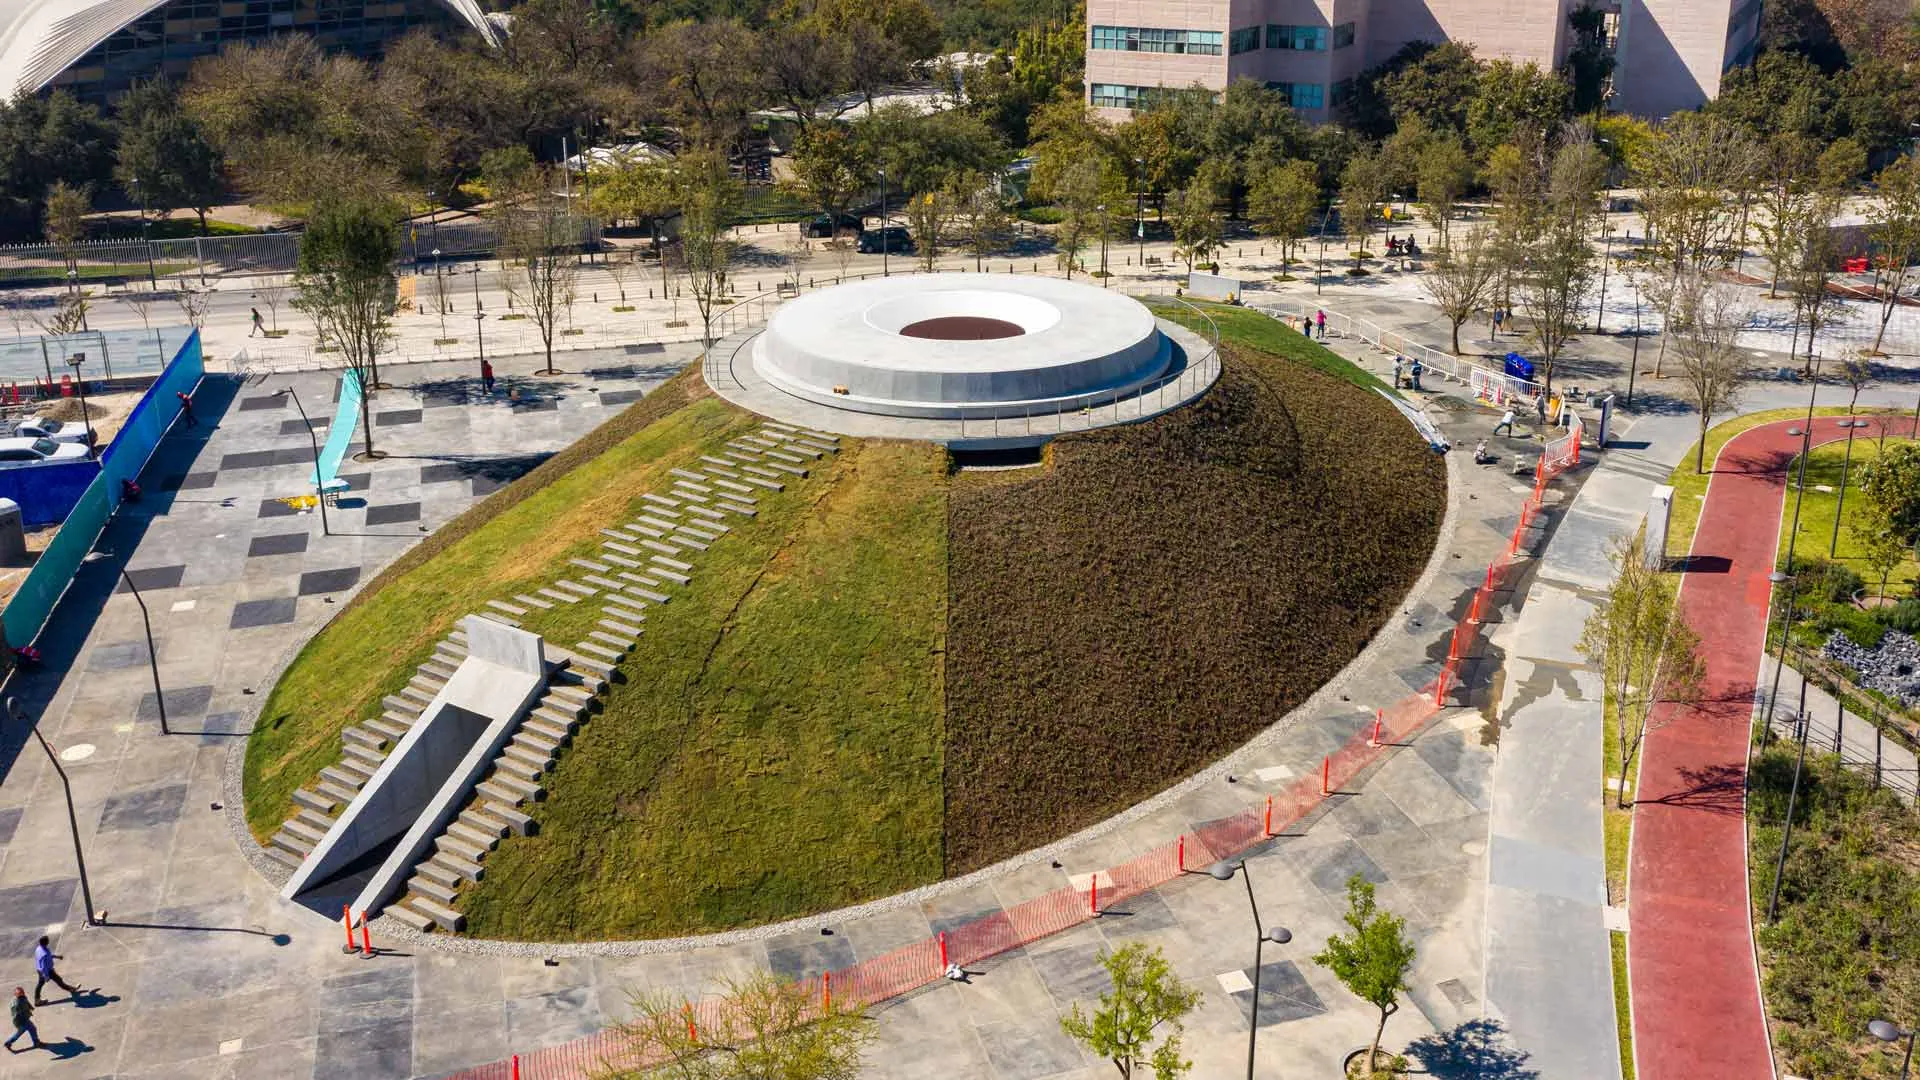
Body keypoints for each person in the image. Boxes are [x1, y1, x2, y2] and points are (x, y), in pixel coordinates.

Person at [32, 938, 74, 1004]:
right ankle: (71, 989)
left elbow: (48, 956)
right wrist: (46, 976)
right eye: (48, 941)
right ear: (46, 943)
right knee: (58, 980)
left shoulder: (39, 948)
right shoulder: (44, 953)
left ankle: (37, 1000)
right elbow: (43, 967)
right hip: (46, 971)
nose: (49, 942)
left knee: (40, 984)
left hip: (40, 970)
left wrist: (57, 956)